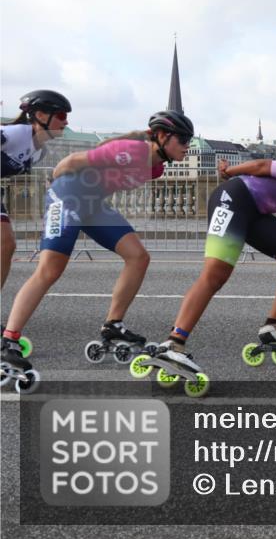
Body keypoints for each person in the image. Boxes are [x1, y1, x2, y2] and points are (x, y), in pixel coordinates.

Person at [1, 110, 194, 379]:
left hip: (93, 205)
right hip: (68, 195)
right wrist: (57, 188)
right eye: (183, 140)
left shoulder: (156, 168)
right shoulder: (133, 150)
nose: (187, 146)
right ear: (162, 136)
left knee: (138, 256)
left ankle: (113, 324)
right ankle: (9, 339)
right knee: (50, 269)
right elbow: (72, 160)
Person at [147, 135, 276, 377]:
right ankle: (173, 342)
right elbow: (262, 166)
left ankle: (273, 327)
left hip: (255, 212)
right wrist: (229, 171)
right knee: (215, 275)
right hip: (233, 200)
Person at [1, 90, 73, 288]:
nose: (66, 122)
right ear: (40, 115)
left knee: (6, 246)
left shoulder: (40, 152)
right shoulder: (14, 134)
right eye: (61, 116)